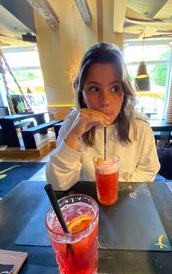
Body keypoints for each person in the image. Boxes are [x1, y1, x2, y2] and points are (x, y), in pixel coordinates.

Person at [46, 42, 160, 191]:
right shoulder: (71, 125)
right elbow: (58, 184)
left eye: (114, 88)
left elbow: (148, 169)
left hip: (125, 200)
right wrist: (74, 136)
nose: (105, 101)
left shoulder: (141, 127)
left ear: (125, 91)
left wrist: (117, 189)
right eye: (94, 89)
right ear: (82, 93)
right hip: (86, 205)